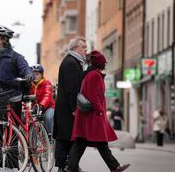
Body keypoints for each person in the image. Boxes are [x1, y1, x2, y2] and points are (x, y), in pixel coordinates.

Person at [0, 25, 34, 171]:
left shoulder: (16, 57)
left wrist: (29, 75)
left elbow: (26, 69)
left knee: (12, 134)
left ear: (3, 39)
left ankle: (11, 167)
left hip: (13, 98)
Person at [67, 51, 130, 172]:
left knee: (82, 141)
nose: (105, 64)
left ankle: (71, 167)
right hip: (93, 115)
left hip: (87, 115)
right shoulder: (94, 75)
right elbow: (94, 96)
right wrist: (101, 111)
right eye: (103, 62)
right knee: (99, 142)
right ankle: (114, 167)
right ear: (100, 63)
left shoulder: (90, 74)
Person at [53, 37, 89, 172]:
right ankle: (65, 166)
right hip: (68, 109)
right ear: (75, 48)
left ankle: (69, 165)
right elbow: (72, 88)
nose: (86, 50)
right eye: (84, 47)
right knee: (66, 138)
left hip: (65, 108)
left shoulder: (72, 61)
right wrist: (75, 108)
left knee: (67, 138)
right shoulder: (71, 63)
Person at [29, 64, 55, 136]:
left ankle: (50, 136)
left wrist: (41, 105)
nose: (35, 76)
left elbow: (47, 95)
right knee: (29, 121)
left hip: (48, 107)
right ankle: (32, 141)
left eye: (37, 74)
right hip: (35, 108)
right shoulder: (30, 85)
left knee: (48, 117)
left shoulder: (46, 83)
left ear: (41, 75)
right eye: (33, 74)